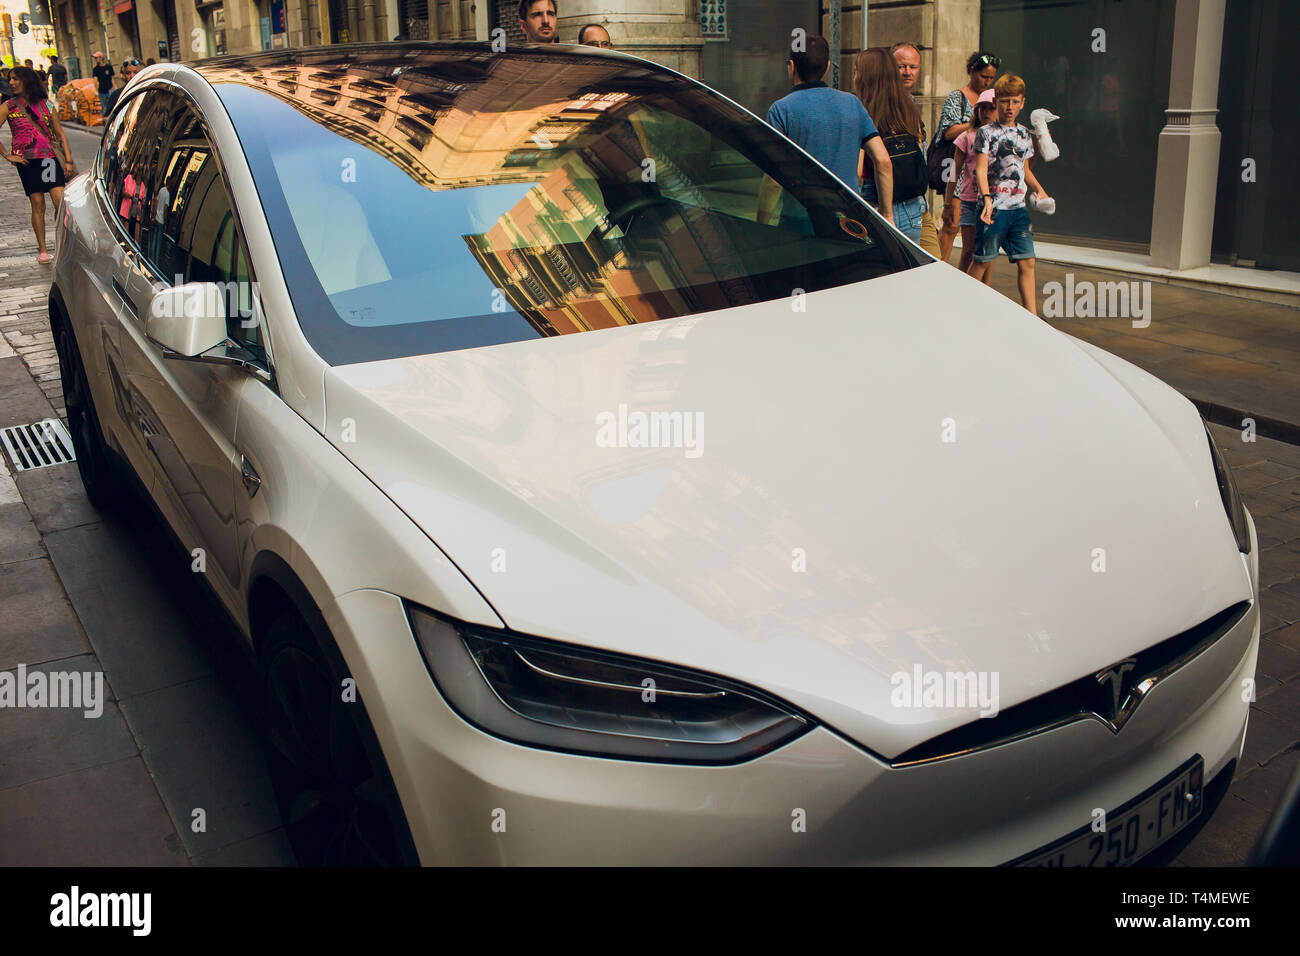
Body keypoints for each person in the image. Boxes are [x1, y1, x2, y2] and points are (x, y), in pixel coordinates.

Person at [759, 34, 892, 224]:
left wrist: (761, 224)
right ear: (828, 67)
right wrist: (887, 215)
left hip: (800, 222)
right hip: (848, 220)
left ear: (791, 66)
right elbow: (883, 161)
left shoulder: (781, 110)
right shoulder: (852, 103)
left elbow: (773, 180)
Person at [969, 74, 1050, 314]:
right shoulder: (986, 133)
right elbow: (980, 169)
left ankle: (1032, 315)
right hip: (992, 207)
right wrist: (985, 199)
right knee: (982, 261)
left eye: (1015, 101)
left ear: (1023, 102)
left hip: (1017, 208)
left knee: (1028, 261)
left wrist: (1040, 190)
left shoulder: (1025, 135)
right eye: (1005, 101)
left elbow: (1024, 170)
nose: (1010, 107)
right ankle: (966, 307)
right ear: (996, 101)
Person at [1, 66, 75, 264]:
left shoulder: (45, 104)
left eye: (15, 78)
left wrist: (67, 160)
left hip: (49, 159)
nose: (12, 82)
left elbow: (60, 134)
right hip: (27, 162)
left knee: (60, 201)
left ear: (27, 80)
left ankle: (65, 242)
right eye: (10, 79)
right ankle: (42, 249)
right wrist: (8, 155)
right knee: (38, 204)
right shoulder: (8, 106)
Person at [853, 47, 926, 243]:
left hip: (876, 202)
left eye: (856, 71)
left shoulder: (862, 112)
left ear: (865, 76)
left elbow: (859, 171)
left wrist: (886, 213)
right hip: (911, 207)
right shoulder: (909, 108)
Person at [936, 51, 999, 263]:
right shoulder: (958, 98)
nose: (987, 82)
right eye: (984, 77)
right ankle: (939, 266)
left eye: (991, 78)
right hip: (960, 172)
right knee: (951, 225)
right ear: (972, 71)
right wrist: (975, 123)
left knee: (979, 240)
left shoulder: (992, 98)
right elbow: (947, 131)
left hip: (983, 180)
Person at [890, 41, 940, 257]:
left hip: (919, 204)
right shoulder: (881, 105)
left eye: (913, 67)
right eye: (902, 66)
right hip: (893, 206)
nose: (907, 72)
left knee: (934, 266)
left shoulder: (912, 104)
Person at [943, 88, 997, 280]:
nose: (987, 112)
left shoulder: (1002, 137)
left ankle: (986, 289)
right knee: (968, 250)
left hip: (994, 201)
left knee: (988, 251)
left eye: (991, 108)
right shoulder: (967, 136)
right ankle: (961, 284)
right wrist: (948, 203)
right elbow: (954, 172)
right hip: (969, 200)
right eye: (982, 108)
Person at [91, 52, 114, 116]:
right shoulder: (96, 69)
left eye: (96, 58)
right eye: (95, 58)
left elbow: (112, 78)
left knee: (112, 106)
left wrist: (115, 87)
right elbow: (95, 80)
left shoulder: (109, 67)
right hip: (102, 91)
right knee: (104, 108)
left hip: (110, 89)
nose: (95, 59)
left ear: (101, 58)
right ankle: (106, 123)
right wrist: (96, 90)